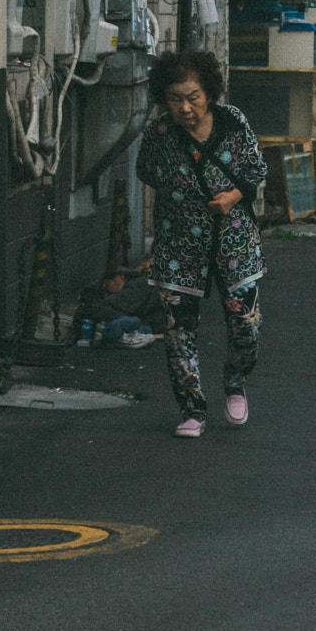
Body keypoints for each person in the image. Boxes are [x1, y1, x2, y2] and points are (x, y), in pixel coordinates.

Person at [136, 50, 268, 438]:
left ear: (209, 93)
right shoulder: (159, 133)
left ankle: (234, 379)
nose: (185, 107)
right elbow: (146, 170)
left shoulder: (232, 122)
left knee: (246, 325)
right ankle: (192, 408)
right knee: (179, 330)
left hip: (234, 242)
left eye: (192, 96)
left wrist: (232, 197)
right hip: (179, 246)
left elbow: (256, 170)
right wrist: (179, 199)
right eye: (175, 98)